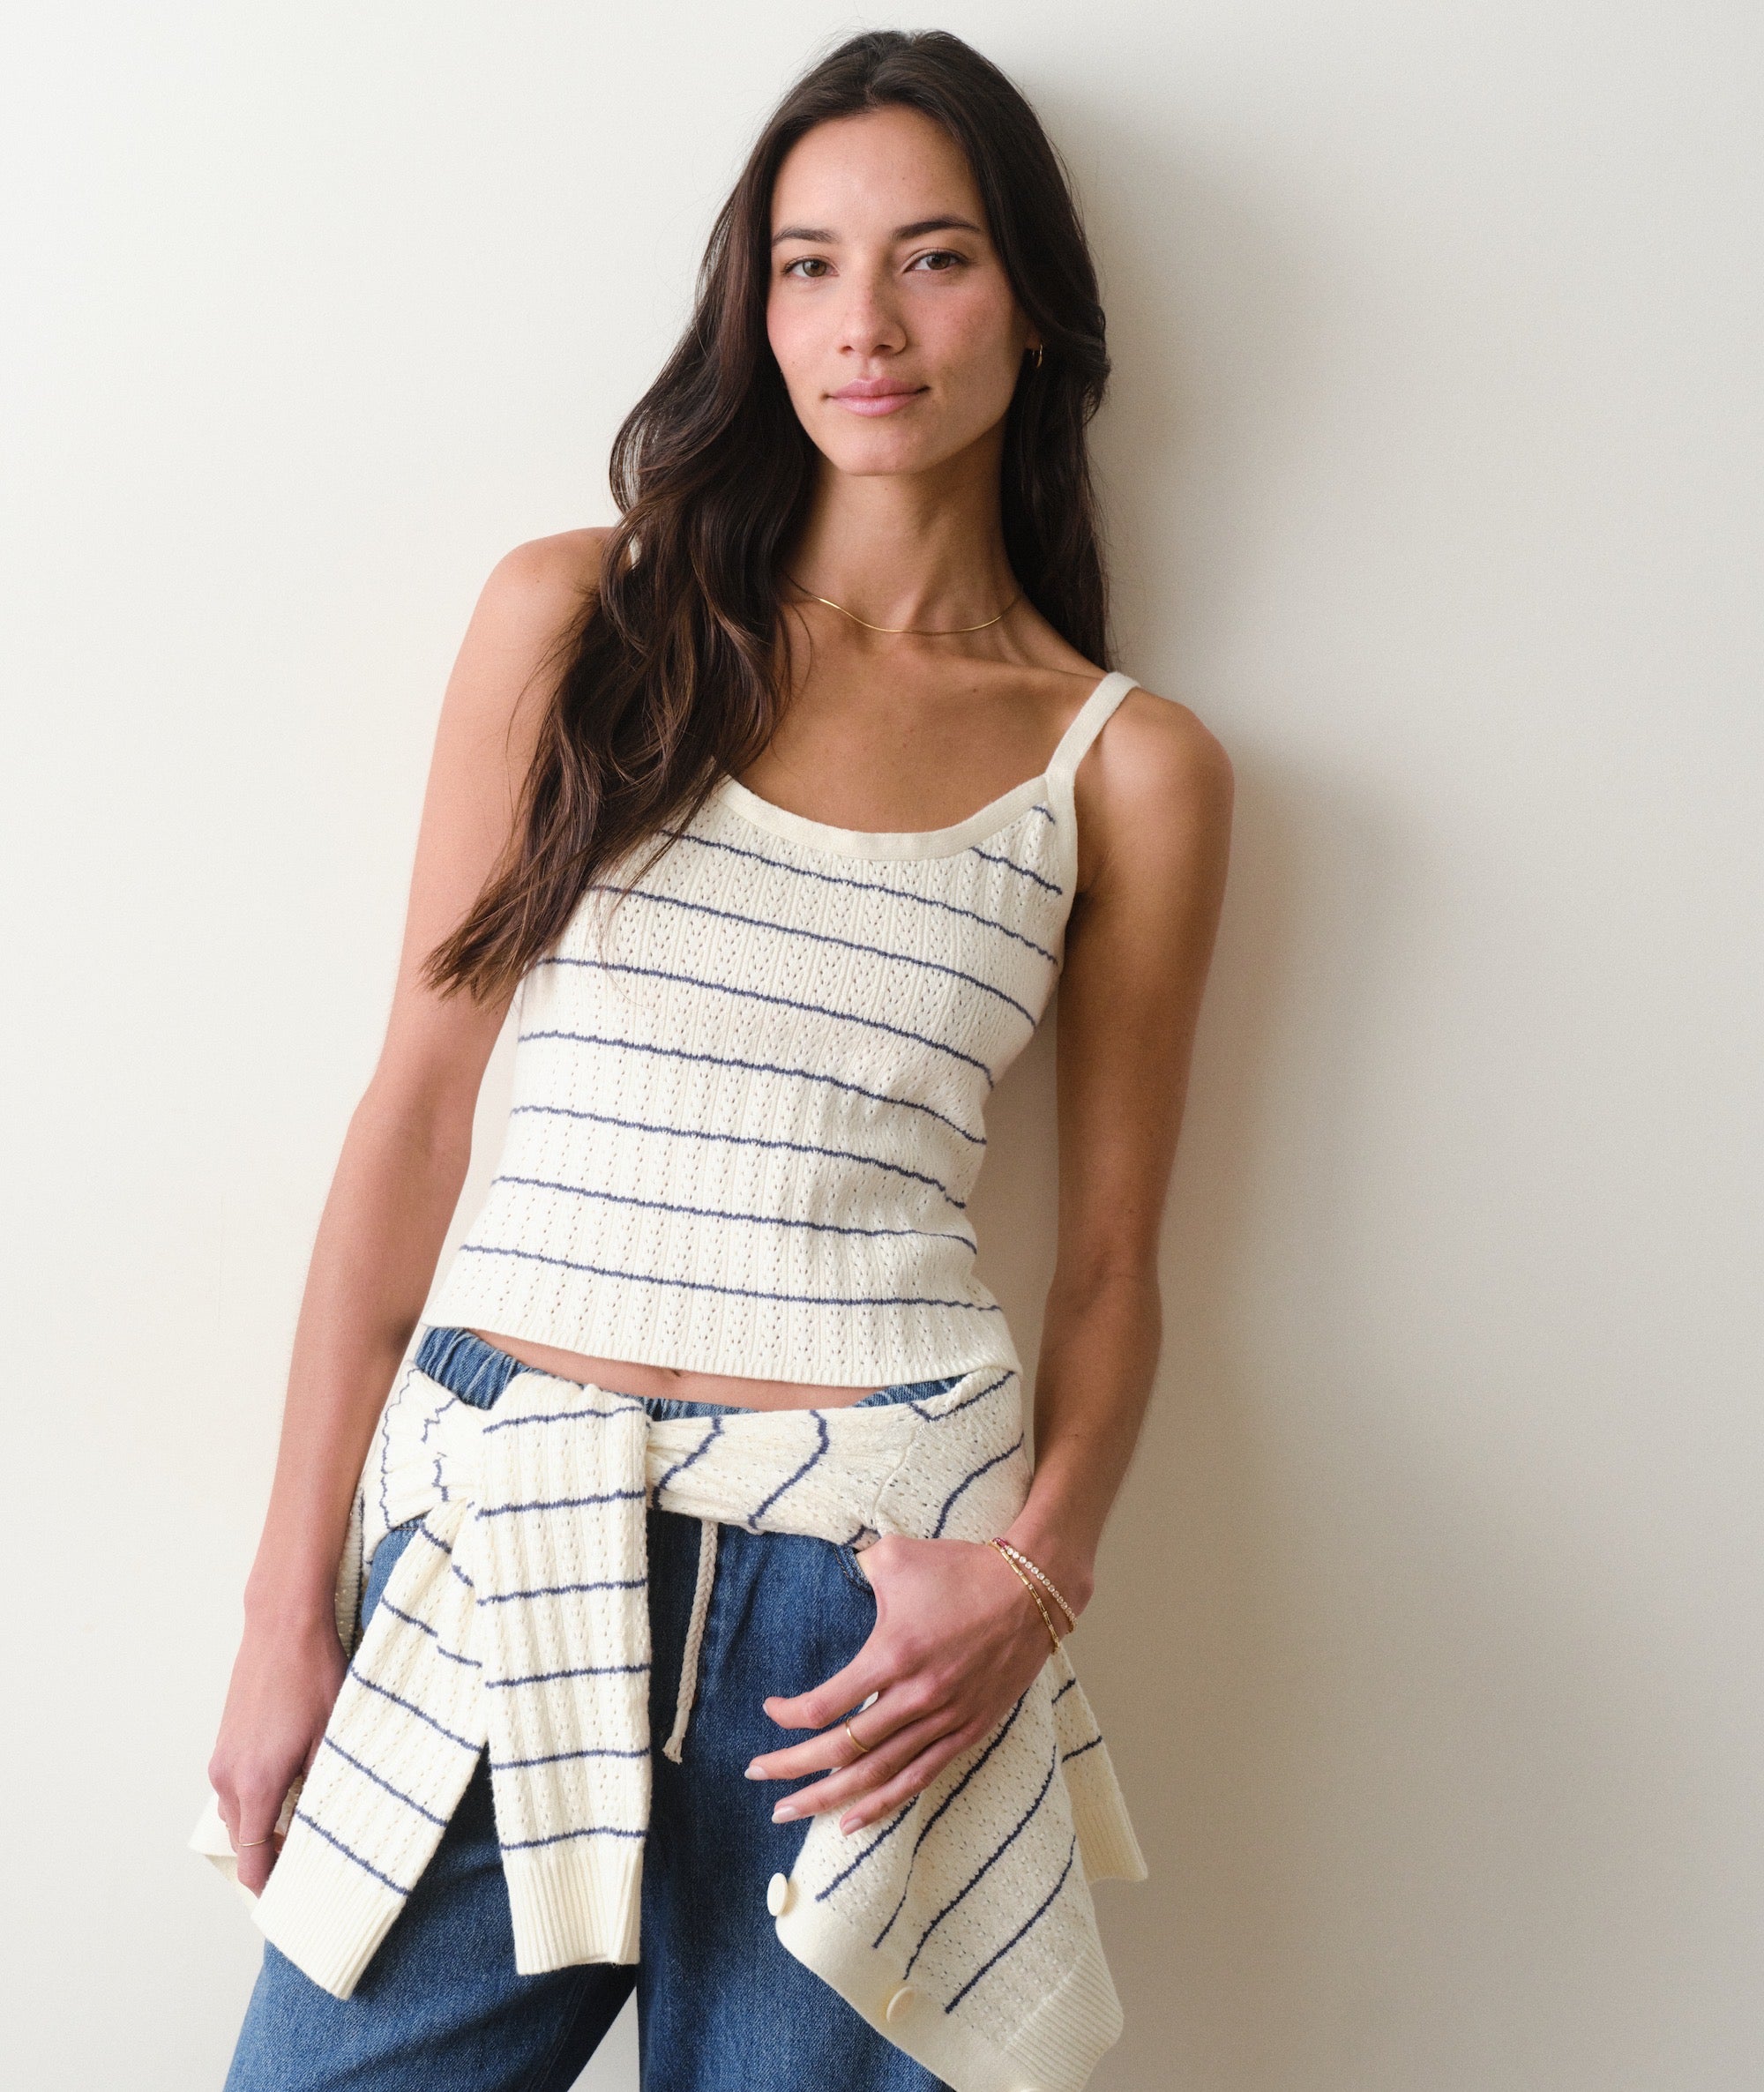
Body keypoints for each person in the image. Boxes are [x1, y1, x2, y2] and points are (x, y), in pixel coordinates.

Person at [198, 27, 1233, 2092]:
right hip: (502, 1533)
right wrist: (283, 1606)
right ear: (752, 309)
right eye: (807, 264)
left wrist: (1035, 1576)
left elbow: (1114, 1263)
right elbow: (415, 1117)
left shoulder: (1125, 764)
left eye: (934, 259)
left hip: (869, 1606)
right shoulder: (579, 617)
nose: (866, 325)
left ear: (1032, 305)